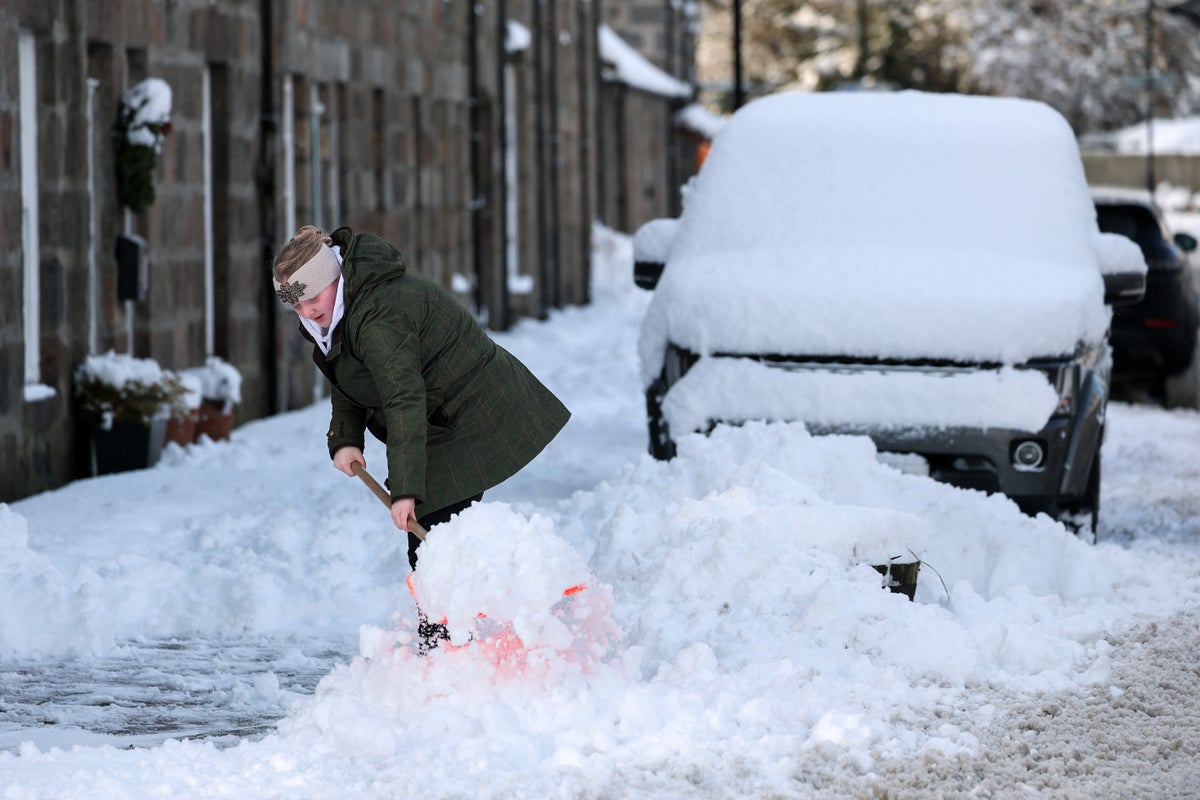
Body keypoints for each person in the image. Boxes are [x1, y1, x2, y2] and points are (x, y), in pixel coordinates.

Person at [271, 224, 571, 577]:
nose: (306, 312)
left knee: (435, 543)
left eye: (312, 298)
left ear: (334, 277)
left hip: (468, 411)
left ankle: (456, 625)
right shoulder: (337, 307)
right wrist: (346, 438)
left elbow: (402, 398)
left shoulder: (379, 315)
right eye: (296, 305)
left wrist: (405, 489)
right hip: (436, 413)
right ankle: (453, 625)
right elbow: (350, 371)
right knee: (437, 546)